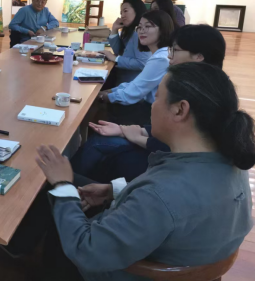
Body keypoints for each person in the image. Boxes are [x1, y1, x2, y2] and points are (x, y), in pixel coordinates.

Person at [33, 62, 255, 281]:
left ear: (180, 110)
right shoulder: (232, 161)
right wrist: (113, 191)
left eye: (157, 98)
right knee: (70, 190)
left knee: (54, 191)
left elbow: (86, 250)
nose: (152, 106)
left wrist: (62, 184)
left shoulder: (160, 195)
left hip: (123, 276)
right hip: (178, 256)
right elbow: (173, 207)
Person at [73, 24, 227, 183]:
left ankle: (70, 184)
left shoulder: (197, 93)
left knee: (101, 147)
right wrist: (128, 130)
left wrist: (137, 137)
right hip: (159, 147)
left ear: (199, 56)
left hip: (166, 164)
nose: (170, 56)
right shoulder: (208, 84)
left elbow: (178, 147)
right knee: (101, 141)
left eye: (175, 50)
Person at [98, 10, 173, 126]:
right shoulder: (160, 54)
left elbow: (134, 92)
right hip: (148, 109)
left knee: (98, 116)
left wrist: (104, 96)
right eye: (140, 27)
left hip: (152, 115)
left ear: (163, 29)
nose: (142, 30)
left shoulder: (160, 59)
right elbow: (136, 84)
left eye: (148, 26)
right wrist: (110, 91)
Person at [99, 0, 150, 84]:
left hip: (132, 83)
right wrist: (114, 29)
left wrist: (115, 58)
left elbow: (142, 63)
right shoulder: (130, 30)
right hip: (122, 80)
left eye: (125, 11)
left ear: (137, 11)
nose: (122, 16)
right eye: (121, 13)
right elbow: (119, 51)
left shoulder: (140, 32)